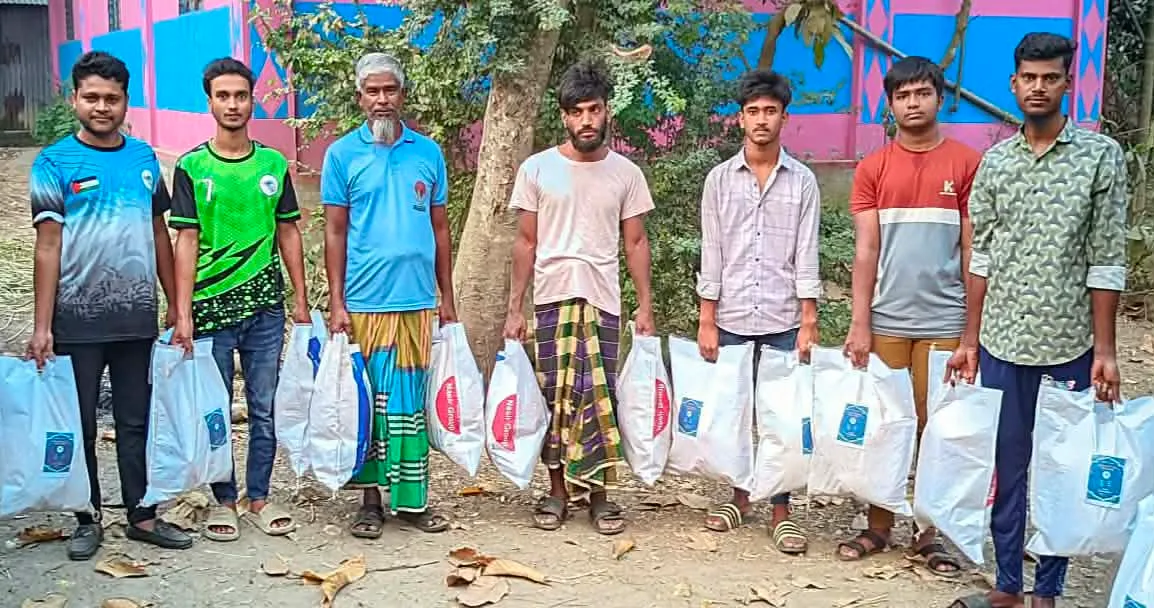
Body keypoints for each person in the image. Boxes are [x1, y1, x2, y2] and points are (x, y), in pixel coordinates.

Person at [946, 33, 1127, 608]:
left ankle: (1047, 590)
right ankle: (1007, 585)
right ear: (1014, 83)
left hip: (1070, 346)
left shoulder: (1101, 158)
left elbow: (1106, 259)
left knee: (1061, 471)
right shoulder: (996, 163)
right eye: (1030, 77)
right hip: (1002, 342)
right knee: (1008, 467)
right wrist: (970, 340)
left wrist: (1106, 350)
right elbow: (982, 258)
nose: (1039, 87)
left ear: (1068, 82)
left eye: (1050, 77)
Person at [25, 50, 192, 559]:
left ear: (126, 102)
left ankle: (141, 514)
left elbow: (159, 234)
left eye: (112, 99)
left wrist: (176, 307)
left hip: (135, 318)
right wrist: (41, 325)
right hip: (75, 320)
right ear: (74, 99)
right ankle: (87, 516)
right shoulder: (52, 162)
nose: (102, 107)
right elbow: (47, 246)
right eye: (92, 97)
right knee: (79, 421)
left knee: (136, 420)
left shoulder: (143, 160)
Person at [503, 58, 656, 536]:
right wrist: (515, 308)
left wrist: (646, 305)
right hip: (552, 300)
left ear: (607, 111)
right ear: (564, 117)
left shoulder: (626, 173)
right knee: (555, 398)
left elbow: (635, 242)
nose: (586, 120)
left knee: (599, 397)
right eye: (577, 112)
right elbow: (526, 242)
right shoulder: (537, 169)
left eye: (594, 109)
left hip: (604, 302)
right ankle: (556, 493)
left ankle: (601, 497)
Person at [840, 55, 979, 576]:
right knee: (887, 425)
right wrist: (860, 323)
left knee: (936, 429)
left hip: (945, 322)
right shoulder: (873, 168)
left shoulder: (967, 164)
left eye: (922, 93)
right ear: (891, 103)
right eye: (902, 95)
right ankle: (879, 523)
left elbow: (972, 252)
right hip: (887, 321)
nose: (913, 103)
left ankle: (929, 531)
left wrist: (972, 329)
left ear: (940, 99)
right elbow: (865, 251)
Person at [170, 58, 309, 542]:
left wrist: (301, 299)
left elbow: (288, 230)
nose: (233, 104)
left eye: (241, 95)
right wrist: (182, 311)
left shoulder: (272, 164)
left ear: (253, 100)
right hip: (210, 307)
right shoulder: (191, 166)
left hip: (266, 308)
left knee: (264, 406)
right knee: (217, 407)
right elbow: (185, 242)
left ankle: (260, 496)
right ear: (209, 102)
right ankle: (223, 500)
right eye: (223, 96)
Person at [321, 52, 455, 538]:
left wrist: (449, 299)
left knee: (409, 406)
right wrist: (336, 302)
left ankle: (413, 503)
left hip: (418, 304)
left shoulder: (428, 153)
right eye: (372, 91)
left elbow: (440, 229)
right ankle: (371, 503)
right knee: (371, 405)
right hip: (365, 304)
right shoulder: (342, 155)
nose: (382, 100)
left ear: (402, 95)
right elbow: (334, 232)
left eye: (389, 90)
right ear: (360, 98)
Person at [695, 69, 818, 554]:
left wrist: (809, 320)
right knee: (734, 412)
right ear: (740, 119)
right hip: (731, 317)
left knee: (781, 418)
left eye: (770, 111)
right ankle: (739, 496)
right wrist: (707, 317)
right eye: (753, 112)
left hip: (784, 319)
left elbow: (806, 255)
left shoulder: (803, 181)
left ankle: (781, 511)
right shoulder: (720, 180)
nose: (761, 120)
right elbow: (713, 251)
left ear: (784, 117)